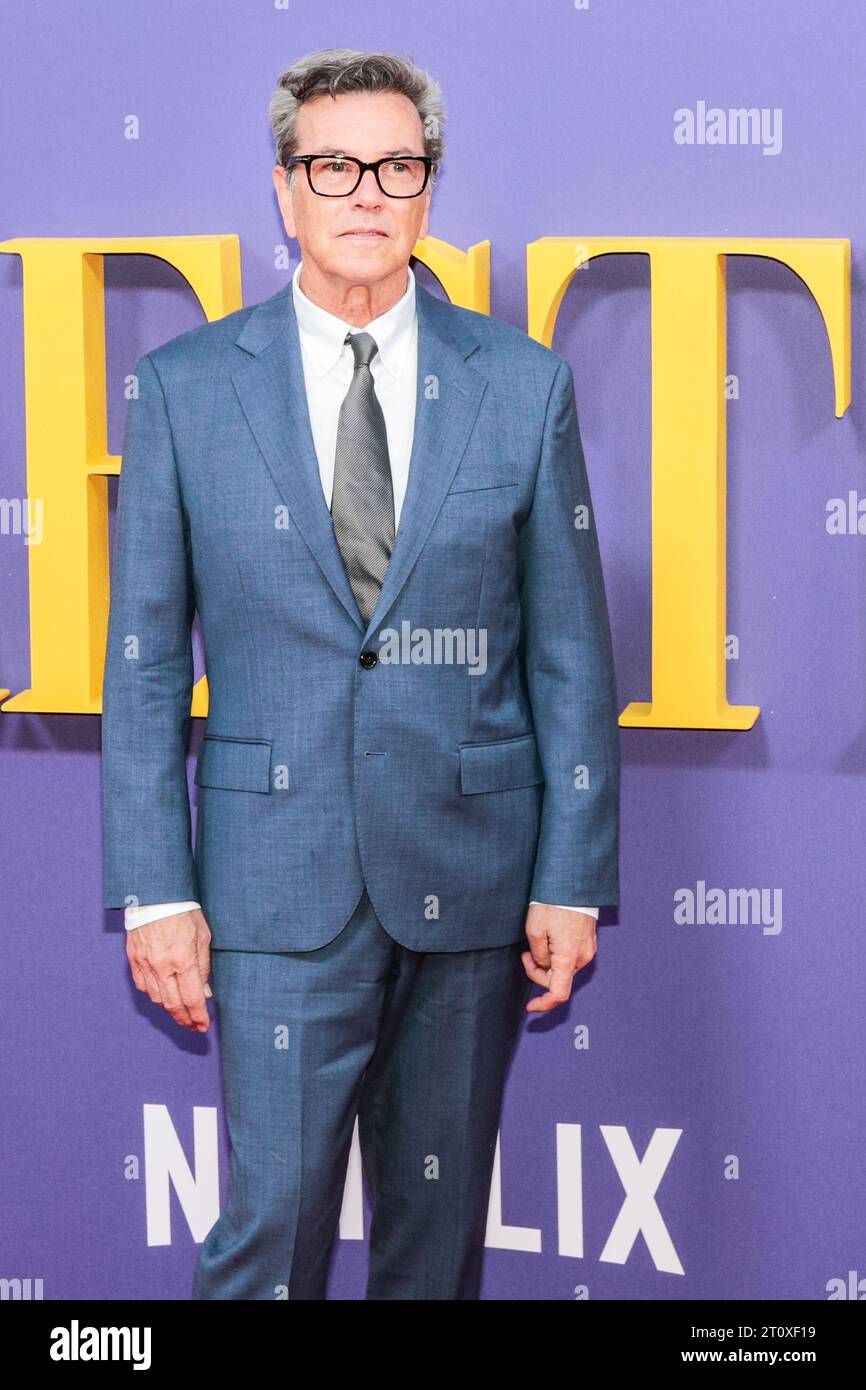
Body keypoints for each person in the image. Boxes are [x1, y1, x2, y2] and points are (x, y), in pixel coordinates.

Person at [101, 47, 620, 1300]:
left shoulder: (520, 386)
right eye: (333, 165)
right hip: (271, 891)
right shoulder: (181, 393)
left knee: (432, 1255)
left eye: (396, 165)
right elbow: (145, 663)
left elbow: (568, 659)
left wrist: (570, 879)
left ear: (427, 191)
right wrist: (153, 890)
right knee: (269, 1238)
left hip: (472, 882)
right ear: (285, 191)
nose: (365, 192)